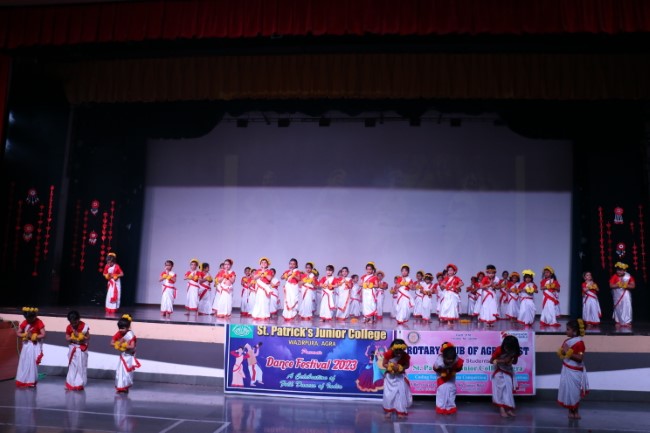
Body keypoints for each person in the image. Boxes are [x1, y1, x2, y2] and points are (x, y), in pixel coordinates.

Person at [557, 319, 589, 419]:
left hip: (576, 371)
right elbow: (563, 354)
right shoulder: (566, 342)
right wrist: (563, 352)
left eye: (568, 329)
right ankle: (570, 411)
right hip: (567, 368)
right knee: (568, 391)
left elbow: (580, 358)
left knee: (575, 392)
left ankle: (576, 411)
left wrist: (568, 352)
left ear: (574, 331)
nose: (566, 331)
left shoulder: (580, 343)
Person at [490, 334, 521, 417]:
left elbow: (515, 362)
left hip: (508, 371)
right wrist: (501, 361)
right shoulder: (499, 350)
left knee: (508, 391)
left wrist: (510, 361)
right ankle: (502, 409)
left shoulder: (514, 351)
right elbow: (491, 361)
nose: (507, 349)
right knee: (500, 390)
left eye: (510, 348)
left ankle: (509, 409)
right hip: (498, 371)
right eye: (506, 347)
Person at [381, 339, 412, 419]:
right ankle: (389, 411)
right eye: (396, 350)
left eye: (400, 350)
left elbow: (407, 365)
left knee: (400, 394)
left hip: (400, 376)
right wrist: (390, 367)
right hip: (390, 378)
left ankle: (400, 411)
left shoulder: (405, 356)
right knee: (389, 395)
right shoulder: (388, 354)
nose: (398, 352)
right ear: (393, 349)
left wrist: (401, 368)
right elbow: (384, 364)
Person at [15, 307, 45, 387]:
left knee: (32, 363)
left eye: (31, 318)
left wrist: (34, 336)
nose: (29, 320)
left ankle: (31, 381)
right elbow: (18, 333)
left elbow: (43, 334)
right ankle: (22, 380)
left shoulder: (39, 322)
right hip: (26, 345)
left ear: (35, 316)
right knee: (24, 362)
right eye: (28, 319)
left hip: (34, 345)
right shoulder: (25, 322)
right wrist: (24, 335)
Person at [111, 314, 140, 393]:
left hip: (129, 356)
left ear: (128, 327)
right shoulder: (118, 333)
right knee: (120, 371)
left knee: (127, 372)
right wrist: (117, 344)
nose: (121, 330)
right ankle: (120, 386)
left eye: (123, 328)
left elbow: (132, 346)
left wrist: (124, 345)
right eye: (119, 328)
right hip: (123, 355)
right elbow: (111, 343)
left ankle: (125, 386)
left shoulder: (130, 335)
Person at [433, 341, 464, 414]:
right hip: (442, 379)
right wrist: (443, 371)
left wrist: (453, 370)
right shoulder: (439, 361)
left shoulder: (456, 359)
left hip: (451, 378)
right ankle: (441, 407)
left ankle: (450, 407)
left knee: (451, 391)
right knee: (442, 391)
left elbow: (459, 368)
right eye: (448, 360)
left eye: (451, 360)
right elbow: (435, 369)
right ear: (444, 357)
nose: (450, 361)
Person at [65, 310, 89, 391]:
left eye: (75, 322)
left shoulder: (84, 326)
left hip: (81, 348)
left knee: (80, 366)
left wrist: (79, 335)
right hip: (73, 348)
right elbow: (67, 337)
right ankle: (70, 383)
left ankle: (79, 384)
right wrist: (72, 338)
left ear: (78, 319)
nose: (73, 325)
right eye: (71, 323)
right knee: (72, 366)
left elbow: (88, 337)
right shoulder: (69, 327)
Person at [609, 262, 635, 326]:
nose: (619, 272)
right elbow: (611, 285)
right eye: (618, 270)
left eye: (621, 270)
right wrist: (618, 285)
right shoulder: (614, 276)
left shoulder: (628, 276)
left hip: (626, 294)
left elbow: (633, 286)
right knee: (618, 307)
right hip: (617, 295)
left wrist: (625, 285)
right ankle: (618, 321)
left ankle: (627, 321)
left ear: (625, 270)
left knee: (627, 306)